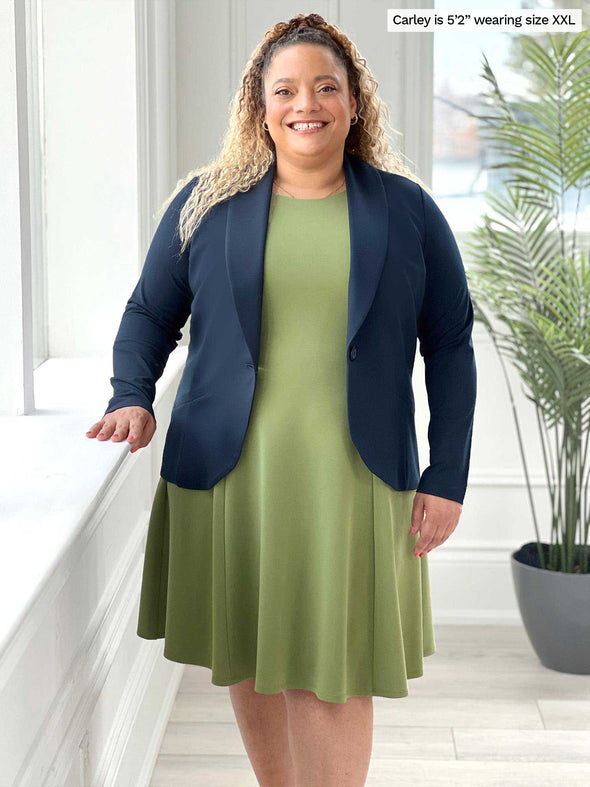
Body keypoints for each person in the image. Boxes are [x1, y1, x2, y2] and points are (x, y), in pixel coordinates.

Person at [86, 13, 476, 787]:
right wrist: (132, 394)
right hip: (234, 473)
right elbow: (147, 315)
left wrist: (447, 474)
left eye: (327, 87)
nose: (308, 103)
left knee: (335, 667)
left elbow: (452, 345)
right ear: (258, 105)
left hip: (355, 478)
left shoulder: (408, 212)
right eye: (287, 89)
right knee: (255, 653)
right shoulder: (207, 203)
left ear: (355, 103)